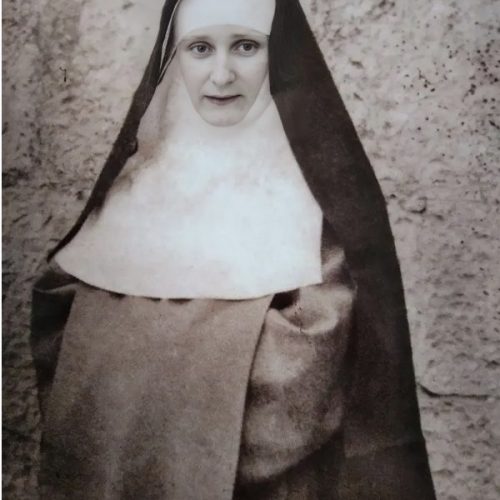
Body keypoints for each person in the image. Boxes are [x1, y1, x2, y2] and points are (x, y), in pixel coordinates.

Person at [30, 0, 436, 498]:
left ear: (277, 54)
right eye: (200, 48)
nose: (221, 75)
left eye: (245, 46)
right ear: (175, 55)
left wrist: (144, 383)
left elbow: (314, 357)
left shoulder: (315, 203)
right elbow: (60, 321)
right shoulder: (132, 189)